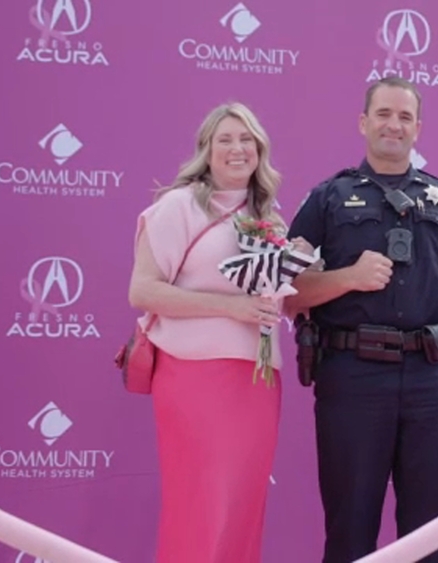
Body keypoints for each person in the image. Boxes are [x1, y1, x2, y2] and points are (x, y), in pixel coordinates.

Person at [284, 76, 438, 563]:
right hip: (352, 379)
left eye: (405, 117)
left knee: (430, 536)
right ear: (363, 122)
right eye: (383, 114)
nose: (393, 125)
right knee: (349, 532)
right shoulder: (327, 198)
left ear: (418, 128)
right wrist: (349, 278)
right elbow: (291, 294)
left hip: (432, 381)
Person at [128, 102, 303, 563]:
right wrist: (232, 308)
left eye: (247, 140)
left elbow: (277, 296)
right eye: (225, 139)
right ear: (206, 150)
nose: (237, 149)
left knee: (243, 505)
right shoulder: (178, 206)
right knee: (202, 503)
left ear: (260, 150)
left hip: (257, 380)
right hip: (193, 376)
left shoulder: (270, 218)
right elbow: (143, 290)